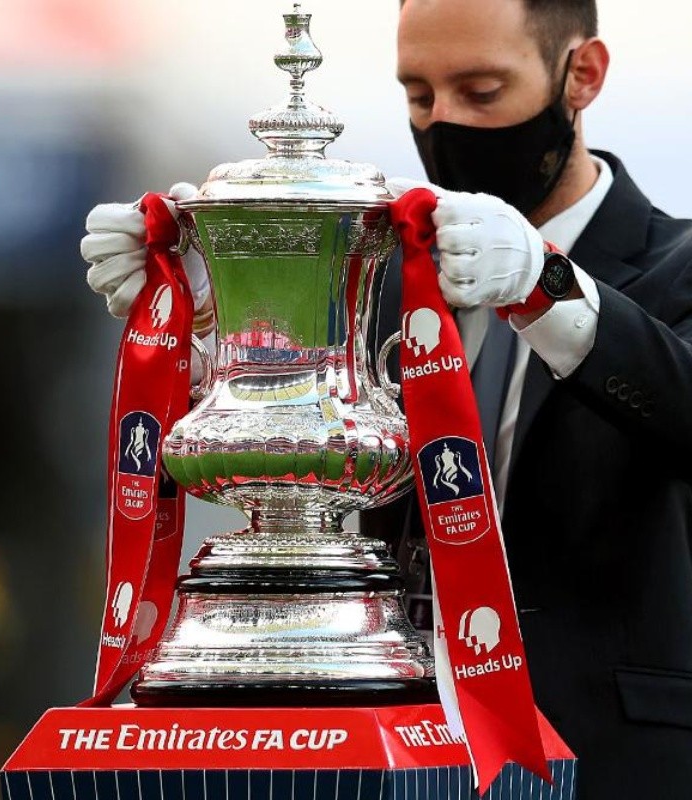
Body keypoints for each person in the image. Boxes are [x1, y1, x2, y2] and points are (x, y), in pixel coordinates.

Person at [80, 1, 692, 797]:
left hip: (613, 758)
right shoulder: (382, 274)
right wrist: (203, 326)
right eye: (419, 96)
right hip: (400, 749)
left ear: (583, 74)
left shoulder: (676, 268)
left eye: (480, 91)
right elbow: (317, 433)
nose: (445, 124)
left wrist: (548, 289)